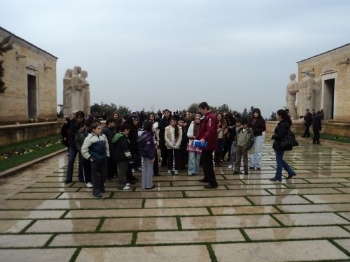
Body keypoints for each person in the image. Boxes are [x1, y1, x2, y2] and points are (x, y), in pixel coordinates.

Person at [81, 122, 110, 198]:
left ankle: (101, 187)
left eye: (101, 128)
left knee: (104, 175)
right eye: (98, 128)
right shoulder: (89, 138)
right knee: (95, 176)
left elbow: (107, 146)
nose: (100, 130)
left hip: (103, 159)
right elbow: (83, 150)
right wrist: (89, 158)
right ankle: (96, 191)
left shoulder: (103, 136)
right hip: (95, 160)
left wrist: (107, 155)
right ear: (93, 129)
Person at [270, 109, 297, 182]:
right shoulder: (284, 123)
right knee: (280, 160)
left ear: (280, 116)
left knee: (279, 161)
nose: (276, 116)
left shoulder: (283, 124)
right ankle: (291, 172)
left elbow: (281, 135)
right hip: (280, 144)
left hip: (280, 144)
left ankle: (278, 176)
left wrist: (273, 136)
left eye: (277, 114)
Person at [197, 102, 218, 189]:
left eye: (201, 110)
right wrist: (197, 138)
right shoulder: (206, 117)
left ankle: (213, 183)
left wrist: (204, 138)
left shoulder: (211, 117)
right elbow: (202, 129)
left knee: (208, 163)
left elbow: (210, 130)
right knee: (204, 162)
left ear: (205, 108)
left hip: (209, 143)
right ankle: (207, 177)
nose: (200, 112)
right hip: (205, 143)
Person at [64, 111, 85, 183]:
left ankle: (81, 177)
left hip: (82, 145)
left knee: (81, 162)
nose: (79, 119)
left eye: (80, 118)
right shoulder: (72, 122)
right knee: (70, 161)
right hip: (73, 145)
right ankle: (68, 178)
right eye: (78, 118)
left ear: (83, 117)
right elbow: (71, 132)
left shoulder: (85, 122)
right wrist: (79, 133)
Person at [112, 123, 132, 190]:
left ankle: (123, 182)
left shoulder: (118, 136)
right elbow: (125, 148)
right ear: (125, 130)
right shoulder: (122, 138)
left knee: (121, 170)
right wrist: (130, 158)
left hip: (119, 156)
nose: (128, 132)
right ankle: (121, 185)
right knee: (122, 172)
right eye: (128, 130)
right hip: (122, 157)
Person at [75, 118, 94, 188]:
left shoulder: (93, 131)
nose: (87, 128)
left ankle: (92, 179)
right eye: (87, 126)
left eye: (89, 127)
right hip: (83, 152)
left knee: (92, 166)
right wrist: (80, 149)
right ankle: (87, 180)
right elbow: (77, 141)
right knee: (85, 167)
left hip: (92, 152)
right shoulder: (80, 132)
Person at [138, 120, 156, 189]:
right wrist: (151, 156)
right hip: (149, 155)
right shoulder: (148, 135)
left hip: (144, 155)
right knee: (149, 170)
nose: (153, 127)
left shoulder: (143, 134)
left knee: (145, 169)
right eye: (152, 126)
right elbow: (148, 147)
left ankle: (144, 185)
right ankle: (149, 185)